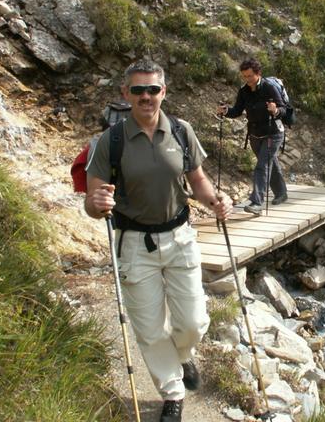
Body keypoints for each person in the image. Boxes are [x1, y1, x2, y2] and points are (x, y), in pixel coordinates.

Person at [84, 60, 232, 422]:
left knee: (194, 323)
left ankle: (182, 356)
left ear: (164, 92)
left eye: (153, 89)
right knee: (150, 329)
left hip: (180, 237)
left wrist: (214, 200)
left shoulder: (181, 131)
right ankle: (173, 394)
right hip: (134, 243)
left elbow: (196, 180)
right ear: (125, 94)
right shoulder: (110, 141)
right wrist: (97, 203)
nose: (146, 96)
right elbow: (92, 201)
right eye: (138, 90)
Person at [217, 57, 288, 215]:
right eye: (244, 76)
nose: (247, 79)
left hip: (273, 133)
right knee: (270, 163)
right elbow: (237, 111)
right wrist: (226, 111)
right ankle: (282, 193)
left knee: (262, 166)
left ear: (258, 73)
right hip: (255, 134)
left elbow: (283, 109)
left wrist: (275, 110)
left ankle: (257, 202)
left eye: (250, 76)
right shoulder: (244, 91)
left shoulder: (269, 87)